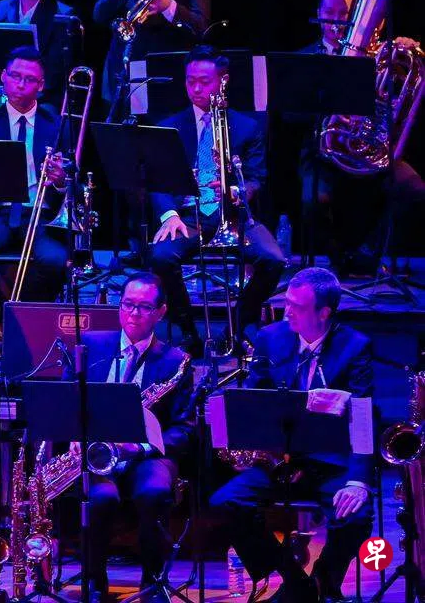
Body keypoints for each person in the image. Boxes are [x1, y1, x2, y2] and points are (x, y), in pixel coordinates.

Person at [210, 267, 373, 603]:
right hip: (279, 460)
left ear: (324, 313)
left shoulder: (355, 346)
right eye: (287, 303)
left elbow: (363, 418)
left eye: (297, 306)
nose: (287, 312)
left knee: (356, 517)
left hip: (332, 464)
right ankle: (294, 579)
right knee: (226, 501)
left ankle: (324, 583)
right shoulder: (270, 338)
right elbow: (254, 397)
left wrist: (357, 481)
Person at [149, 46, 285, 351]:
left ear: (222, 81)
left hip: (235, 215)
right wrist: (169, 215)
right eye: (190, 81)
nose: (196, 88)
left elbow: (257, 178)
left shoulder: (247, 127)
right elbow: (156, 180)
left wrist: (234, 190)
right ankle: (188, 331)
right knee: (161, 256)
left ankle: (237, 325)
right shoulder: (169, 126)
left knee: (273, 259)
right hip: (188, 216)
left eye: (204, 81)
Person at [69, 273, 193, 603]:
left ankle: (153, 583)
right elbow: (68, 401)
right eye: (127, 304)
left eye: (144, 307)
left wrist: (138, 447)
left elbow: (184, 429)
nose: (134, 313)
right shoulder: (90, 345)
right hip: (97, 452)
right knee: (99, 499)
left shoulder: (176, 361)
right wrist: (75, 436)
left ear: (161, 312)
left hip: (149, 454)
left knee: (154, 492)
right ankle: (94, 584)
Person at [297, 0, 425, 274]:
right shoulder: (306, 58)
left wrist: (405, 53)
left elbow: (397, 99)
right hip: (323, 153)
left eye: (343, 14)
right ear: (318, 14)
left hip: (370, 151)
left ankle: (368, 253)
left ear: (354, 15)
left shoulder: (380, 54)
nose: (336, 20)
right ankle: (338, 259)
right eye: (329, 13)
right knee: (313, 200)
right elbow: (291, 114)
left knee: (414, 190)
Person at [0, 46, 68, 327]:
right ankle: (2, 323)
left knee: (55, 261)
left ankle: (22, 323)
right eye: (15, 76)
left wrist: (60, 181)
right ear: (3, 77)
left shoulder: (57, 126)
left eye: (29, 79)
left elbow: (73, 179)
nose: (20, 84)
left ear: (41, 86)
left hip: (41, 214)